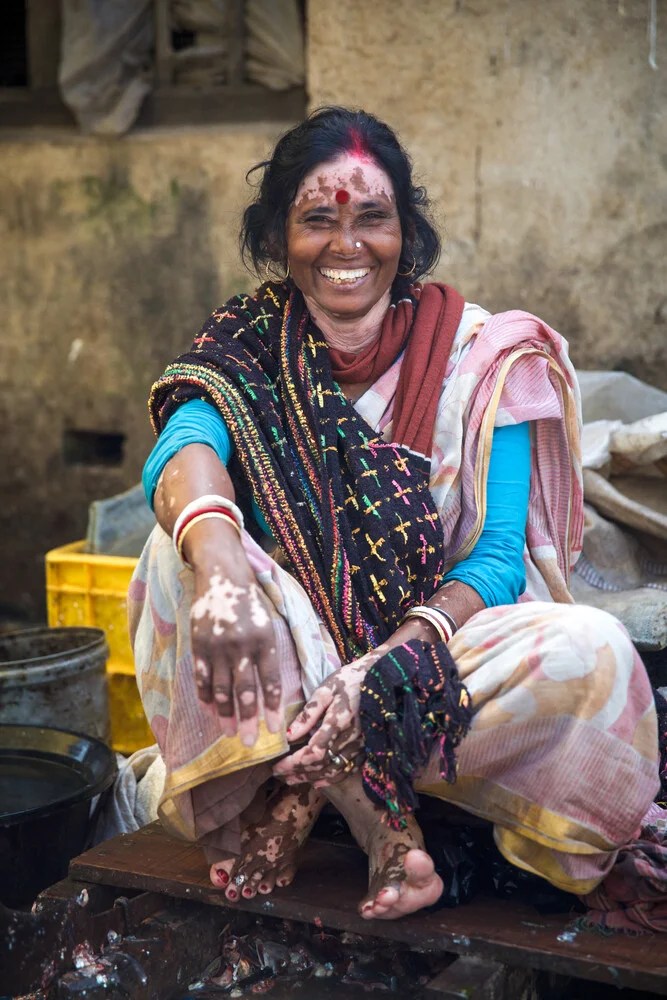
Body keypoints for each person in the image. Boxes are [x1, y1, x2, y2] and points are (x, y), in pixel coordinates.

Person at [130, 106, 659, 924]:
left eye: (371, 217)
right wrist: (225, 571)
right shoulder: (246, 344)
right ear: (278, 237)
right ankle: (375, 816)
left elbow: (492, 558)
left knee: (591, 649)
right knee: (179, 553)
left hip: (435, 649)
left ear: (406, 234)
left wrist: (385, 672)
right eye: (317, 221)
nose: (346, 246)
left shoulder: (484, 356)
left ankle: (307, 788)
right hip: (292, 643)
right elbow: (186, 437)